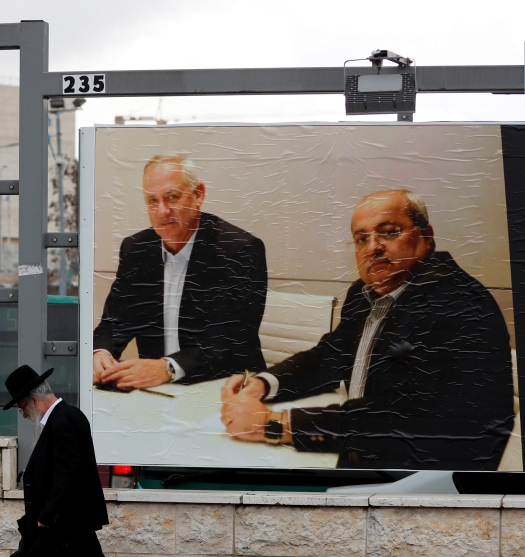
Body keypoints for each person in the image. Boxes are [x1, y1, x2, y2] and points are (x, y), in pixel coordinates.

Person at [221, 189, 515, 470]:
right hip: (367, 454)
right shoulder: (365, 295)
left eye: (388, 232)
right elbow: (329, 356)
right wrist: (263, 383)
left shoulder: (458, 302)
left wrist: (275, 423)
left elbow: (404, 419)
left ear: (426, 237)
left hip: (429, 477)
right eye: (361, 239)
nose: (373, 246)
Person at [93, 154, 268, 389]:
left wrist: (168, 367)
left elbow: (228, 338)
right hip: (157, 391)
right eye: (152, 201)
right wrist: (100, 353)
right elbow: (114, 322)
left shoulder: (239, 251)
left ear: (198, 195)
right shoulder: (137, 250)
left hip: (224, 388)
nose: (162, 211)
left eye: (172, 197)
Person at [5, 365, 108, 556]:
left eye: (22, 409)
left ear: (34, 400)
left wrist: (48, 515)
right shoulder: (65, 416)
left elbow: (69, 473)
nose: (25, 415)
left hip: (65, 530)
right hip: (66, 528)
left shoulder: (63, 420)